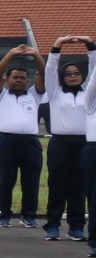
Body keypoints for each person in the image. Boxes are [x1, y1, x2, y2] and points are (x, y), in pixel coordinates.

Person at [0, 45, 44, 226]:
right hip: (6, 141)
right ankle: (4, 216)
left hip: (30, 142)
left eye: (23, 78)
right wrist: (10, 53)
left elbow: (44, 74)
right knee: (5, 180)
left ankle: (29, 216)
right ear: (7, 80)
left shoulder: (35, 95)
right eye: (15, 77)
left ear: (28, 81)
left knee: (31, 181)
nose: (19, 80)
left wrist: (36, 55)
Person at [46, 38, 91, 242]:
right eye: (68, 74)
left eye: (76, 73)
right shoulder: (55, 93)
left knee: (78, 187)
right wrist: (58, 45)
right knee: (57, 185)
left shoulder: (89, 94)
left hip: (83, 144)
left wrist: (90, 44)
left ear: (83, 75)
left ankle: (76, 227)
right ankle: (53, 225)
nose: (72, 77)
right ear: (62, 77)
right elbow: (50, 68)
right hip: (60, 144)